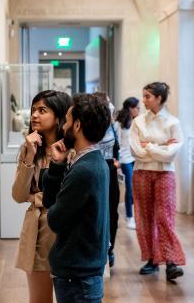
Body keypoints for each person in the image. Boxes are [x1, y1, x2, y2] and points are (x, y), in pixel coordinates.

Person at [41, 93, 111, 303]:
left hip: (78, 275)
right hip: (80, 271)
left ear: (77, 126)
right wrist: (57, 165)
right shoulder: (93, 161)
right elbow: (50, 203)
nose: (63, 126)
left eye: (68, 120)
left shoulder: (85, 170)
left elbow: (54, 218)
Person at [11, 90, 72, 303]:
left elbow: (70, 196)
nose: (35, 115)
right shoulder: (28, 149)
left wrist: (37, 197)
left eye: (42, 110)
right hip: (36, 230)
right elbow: (19, 195)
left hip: (66, 231)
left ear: (58, 117)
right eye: (33, 110)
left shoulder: (72, 151)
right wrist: (29, 154)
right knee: (38, 300)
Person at [129, 82, 185, 282]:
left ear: (159, 98)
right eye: (143, 96)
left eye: (147, 97)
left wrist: (150, 147)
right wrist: (161, 146)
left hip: (164, 174)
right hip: (141, 172)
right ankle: (152, 260)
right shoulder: (138, 122)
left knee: (165, 217)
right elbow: (136, 151)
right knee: (144, 217)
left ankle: (171, 261)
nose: (143, 100)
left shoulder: (173, 123)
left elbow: (170, 155)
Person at [94, 91, 121, 267]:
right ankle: (98, 250)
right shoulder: (92, 126)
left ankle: (109, 250)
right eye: (108, 103)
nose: (112, 106)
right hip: (96, 170)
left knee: (112, 213)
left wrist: (116, 162)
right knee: (96, 213)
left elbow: (117, 148)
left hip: (111, 171)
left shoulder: (113, 125)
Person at [114, 97, 140, 229]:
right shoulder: (119, 124)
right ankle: (129, 217)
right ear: (130, 108)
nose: (139, 110)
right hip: (125, 159)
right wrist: (116, 160)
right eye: (137, 107)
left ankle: (128, 206)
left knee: (136, 188)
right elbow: (115, 142)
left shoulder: (137, 122)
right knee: (130, 187)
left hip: (137, 158)